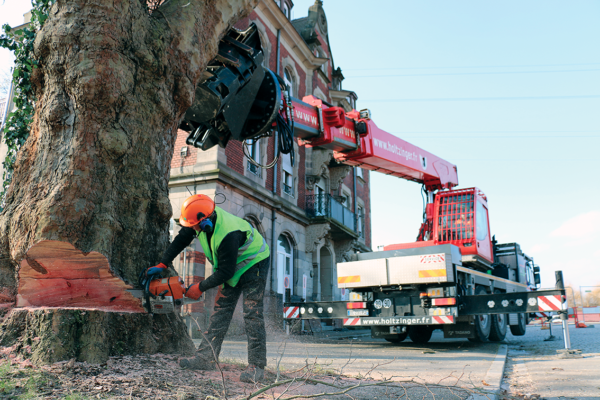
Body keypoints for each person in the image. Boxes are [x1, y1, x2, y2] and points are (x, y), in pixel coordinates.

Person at [146, 194, 270, 383]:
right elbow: (180, 240)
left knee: (252, 312)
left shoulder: (228, 234)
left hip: (255, 262)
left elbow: (226, 271)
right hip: (232, 266)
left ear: (205, 222)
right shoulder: (199, 220)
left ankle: (257, 366)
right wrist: (163, 263)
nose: (191, 229)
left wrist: (200, 287)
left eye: (193, 226)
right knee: (221, 310)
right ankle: (206, 358)